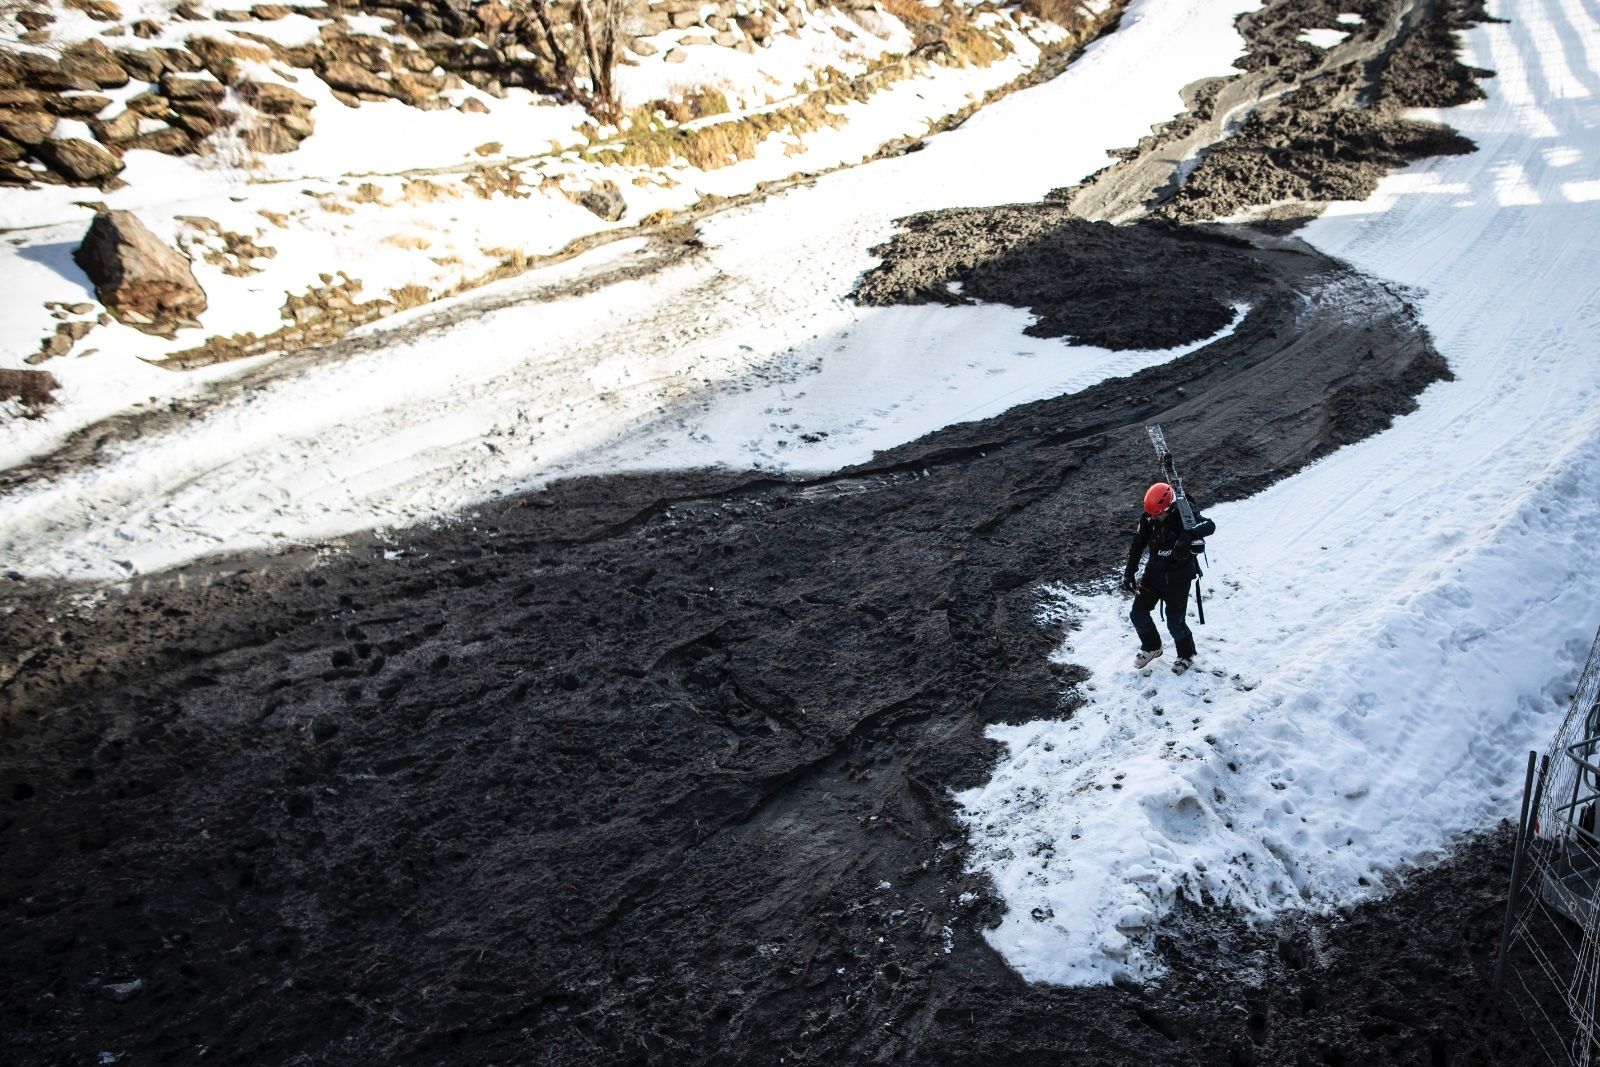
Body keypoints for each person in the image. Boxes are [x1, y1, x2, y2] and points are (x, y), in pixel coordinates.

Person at [1121, 481, 1215, 674]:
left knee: (1175, 621)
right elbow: (1137, 545)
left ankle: (1186, 654)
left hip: (1179, 578)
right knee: (1137, 614)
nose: (1154, 517)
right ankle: (1152, 646)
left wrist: (1188, 535)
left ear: (1168, 506)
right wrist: (1129, 572)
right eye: (1151, 514)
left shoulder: (1185, 514)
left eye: (1158, 514)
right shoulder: (1149, 518)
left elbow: (1209, 525)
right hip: (1153, 574)